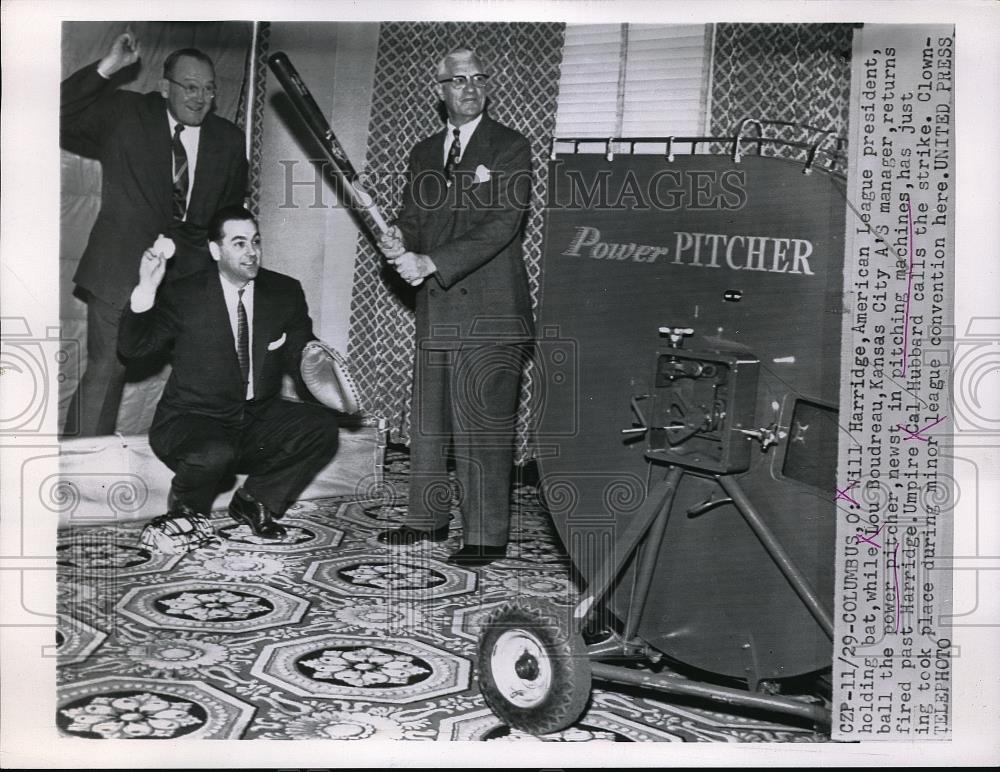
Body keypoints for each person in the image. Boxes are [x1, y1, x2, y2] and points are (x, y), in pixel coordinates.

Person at [376, 47, 534, 567]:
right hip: (437, 307)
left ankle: (486, 535)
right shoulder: (424, 152)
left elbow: (501, 226)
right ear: (438, 91)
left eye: (477, 78)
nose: (469, 86)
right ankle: (426, 518)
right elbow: (415, 218)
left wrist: (430, 262)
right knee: (430, 422)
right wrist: (399, 238)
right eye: (457, 79)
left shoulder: (509, 147)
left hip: (490, 309)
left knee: (483, 426)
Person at [61, 31, 248, 437]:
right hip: (118, 271)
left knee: (204, 374)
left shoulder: (229, 140)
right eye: (190, 87)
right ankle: (76, 479)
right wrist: (109, 66)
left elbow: (227, 214)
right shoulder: (126, 113)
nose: (200, 98)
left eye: (209, 90)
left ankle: (190, 472)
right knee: (108, 369)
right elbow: (56, 110)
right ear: (165, 88)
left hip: (190, 279)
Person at [118, 207, 339, 539]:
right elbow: (134, 349)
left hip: (256, 416)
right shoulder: (184, 295)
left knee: (320, 427)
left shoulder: (284, 292)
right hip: (192, 417)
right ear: (215, 250)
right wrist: (146, 290)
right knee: (214, 452)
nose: (251, 252)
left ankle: (255, 501)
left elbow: (301, 349)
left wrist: (326, 374)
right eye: (239, 243)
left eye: (255, 241)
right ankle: (185, 512)